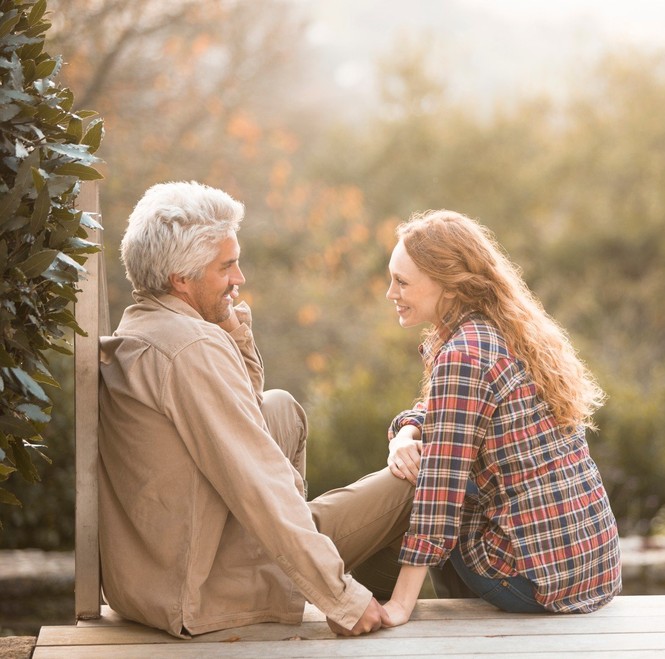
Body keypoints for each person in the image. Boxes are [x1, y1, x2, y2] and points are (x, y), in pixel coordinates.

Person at [98, 181, 413, 639]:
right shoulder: (191, 349)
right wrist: (340, 596)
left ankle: (329, 575)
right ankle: (377, 608)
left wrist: (228, 325)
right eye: (227, 266)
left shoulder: (146, 324)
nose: (239, 278)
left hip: (149, 581)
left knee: (279, 408)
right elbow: (257, 480)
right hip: (200, 591)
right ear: (181, 279)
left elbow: (241, 410)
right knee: (416, 484)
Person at [379, 209, 621, 625]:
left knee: (420, 478)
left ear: (448, 285)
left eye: (402, 282)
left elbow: (440, 488)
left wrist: (399, 606)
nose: (390, 293)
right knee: (424, 455)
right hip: (593, 568)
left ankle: (411, 605)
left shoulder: (463, 354)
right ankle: (462, 608)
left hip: (533, 581)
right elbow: (449, 411)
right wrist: (408, 429)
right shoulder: (506, 329)